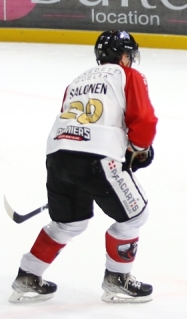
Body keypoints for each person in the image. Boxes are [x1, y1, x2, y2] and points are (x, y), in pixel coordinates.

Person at [9, 30, 157, 304]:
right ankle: (117, 278)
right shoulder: (128, 75)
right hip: (96, 156)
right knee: (134, 217)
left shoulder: (77, 81)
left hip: (57, 155)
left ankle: (28, 275)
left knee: (68, 223)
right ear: (123, 56)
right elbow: (143, 119)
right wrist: (138, 149)